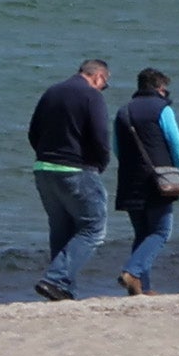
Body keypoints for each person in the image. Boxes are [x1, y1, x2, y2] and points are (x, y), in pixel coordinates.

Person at [26, 59, 115, 298]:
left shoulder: (51, 92)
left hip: (44, 168)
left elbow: (33, 131)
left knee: (61, 229)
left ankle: (63, 290)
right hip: (76, 169)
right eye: (103, 84)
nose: (101, 88)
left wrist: (45, 155)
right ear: (99, 77)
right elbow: (100, 136)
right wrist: (101, 163)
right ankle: (55, 279)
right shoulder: (91, 96)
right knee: (93, 228)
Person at [118, 69, 179, 296]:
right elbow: (175, 140)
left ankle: (141, 287)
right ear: (159, 88)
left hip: (129, 178)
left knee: (141, 232)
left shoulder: (123, 111)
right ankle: (132, 271)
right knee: (160, 231)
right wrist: (175, 168)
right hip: (157, 179)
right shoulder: (162, 108)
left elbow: (117, 147)